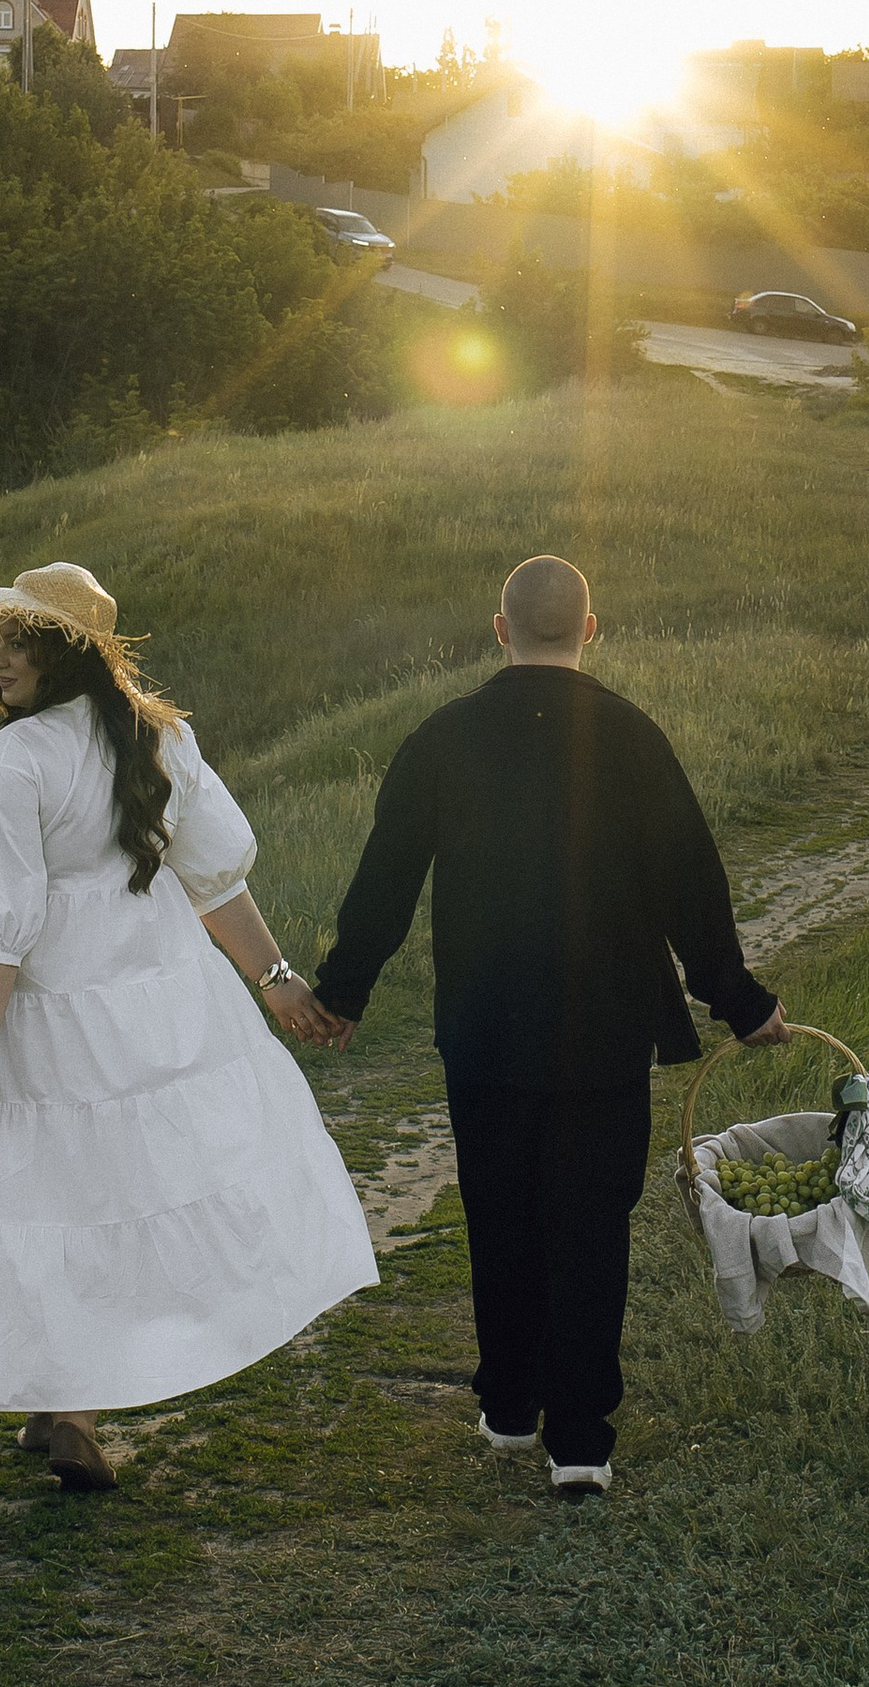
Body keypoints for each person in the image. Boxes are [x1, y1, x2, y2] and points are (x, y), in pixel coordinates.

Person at [0, 556, 378, 1490]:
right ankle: (62, 1398)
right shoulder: (156, 740)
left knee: (44, 1188)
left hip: (42, 1006)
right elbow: (214, 879)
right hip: (150, 997)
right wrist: (275, 981)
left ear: (64, 655)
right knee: (107, 1189)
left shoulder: (19, 758)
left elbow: (0, 919)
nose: (0, 658)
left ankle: (73, 1407)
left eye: (19, 642)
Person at [309, 553, 785, 1501]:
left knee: (501, 1211)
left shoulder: (442, 739)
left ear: (499, 629)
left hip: (484, 1027)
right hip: (604, 1029)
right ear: (591, 629)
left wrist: (341, 993)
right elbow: (692, 887)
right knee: (589, 1225)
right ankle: (580, 1443)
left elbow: (385, 879)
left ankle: (510, 1406)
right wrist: (741, 1000)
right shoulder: (632, 738)